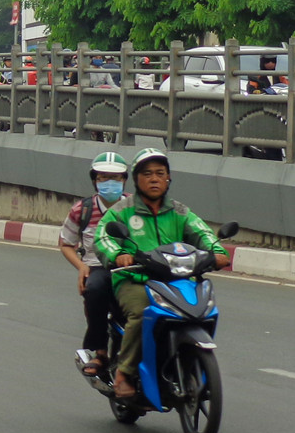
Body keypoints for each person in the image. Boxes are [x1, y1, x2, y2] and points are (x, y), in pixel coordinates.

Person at [94, 148, 230, 400]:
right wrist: (118, 255)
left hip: (177, 279)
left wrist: (217, 252)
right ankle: (124, 373)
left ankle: (192, 364)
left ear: (168, 178)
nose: (154, 179)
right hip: (135, 279)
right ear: (136, 179)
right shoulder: (121, 211)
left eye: (160, 173)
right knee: (142, 312)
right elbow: (102, 238)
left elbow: (204, 235)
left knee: (202, 308)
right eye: (147, 174)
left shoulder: (180, 212)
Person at [58, 152, 129, 378]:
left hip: (132, 265)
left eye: (116, 178)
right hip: (97, 266)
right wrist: (81, 267)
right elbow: (66, 243)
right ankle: (99, 352)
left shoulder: (135, 207)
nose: (110, 183)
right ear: (95, 180)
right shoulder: (82, 209)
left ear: (125, 180)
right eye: (103, 177)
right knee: (95, 290)